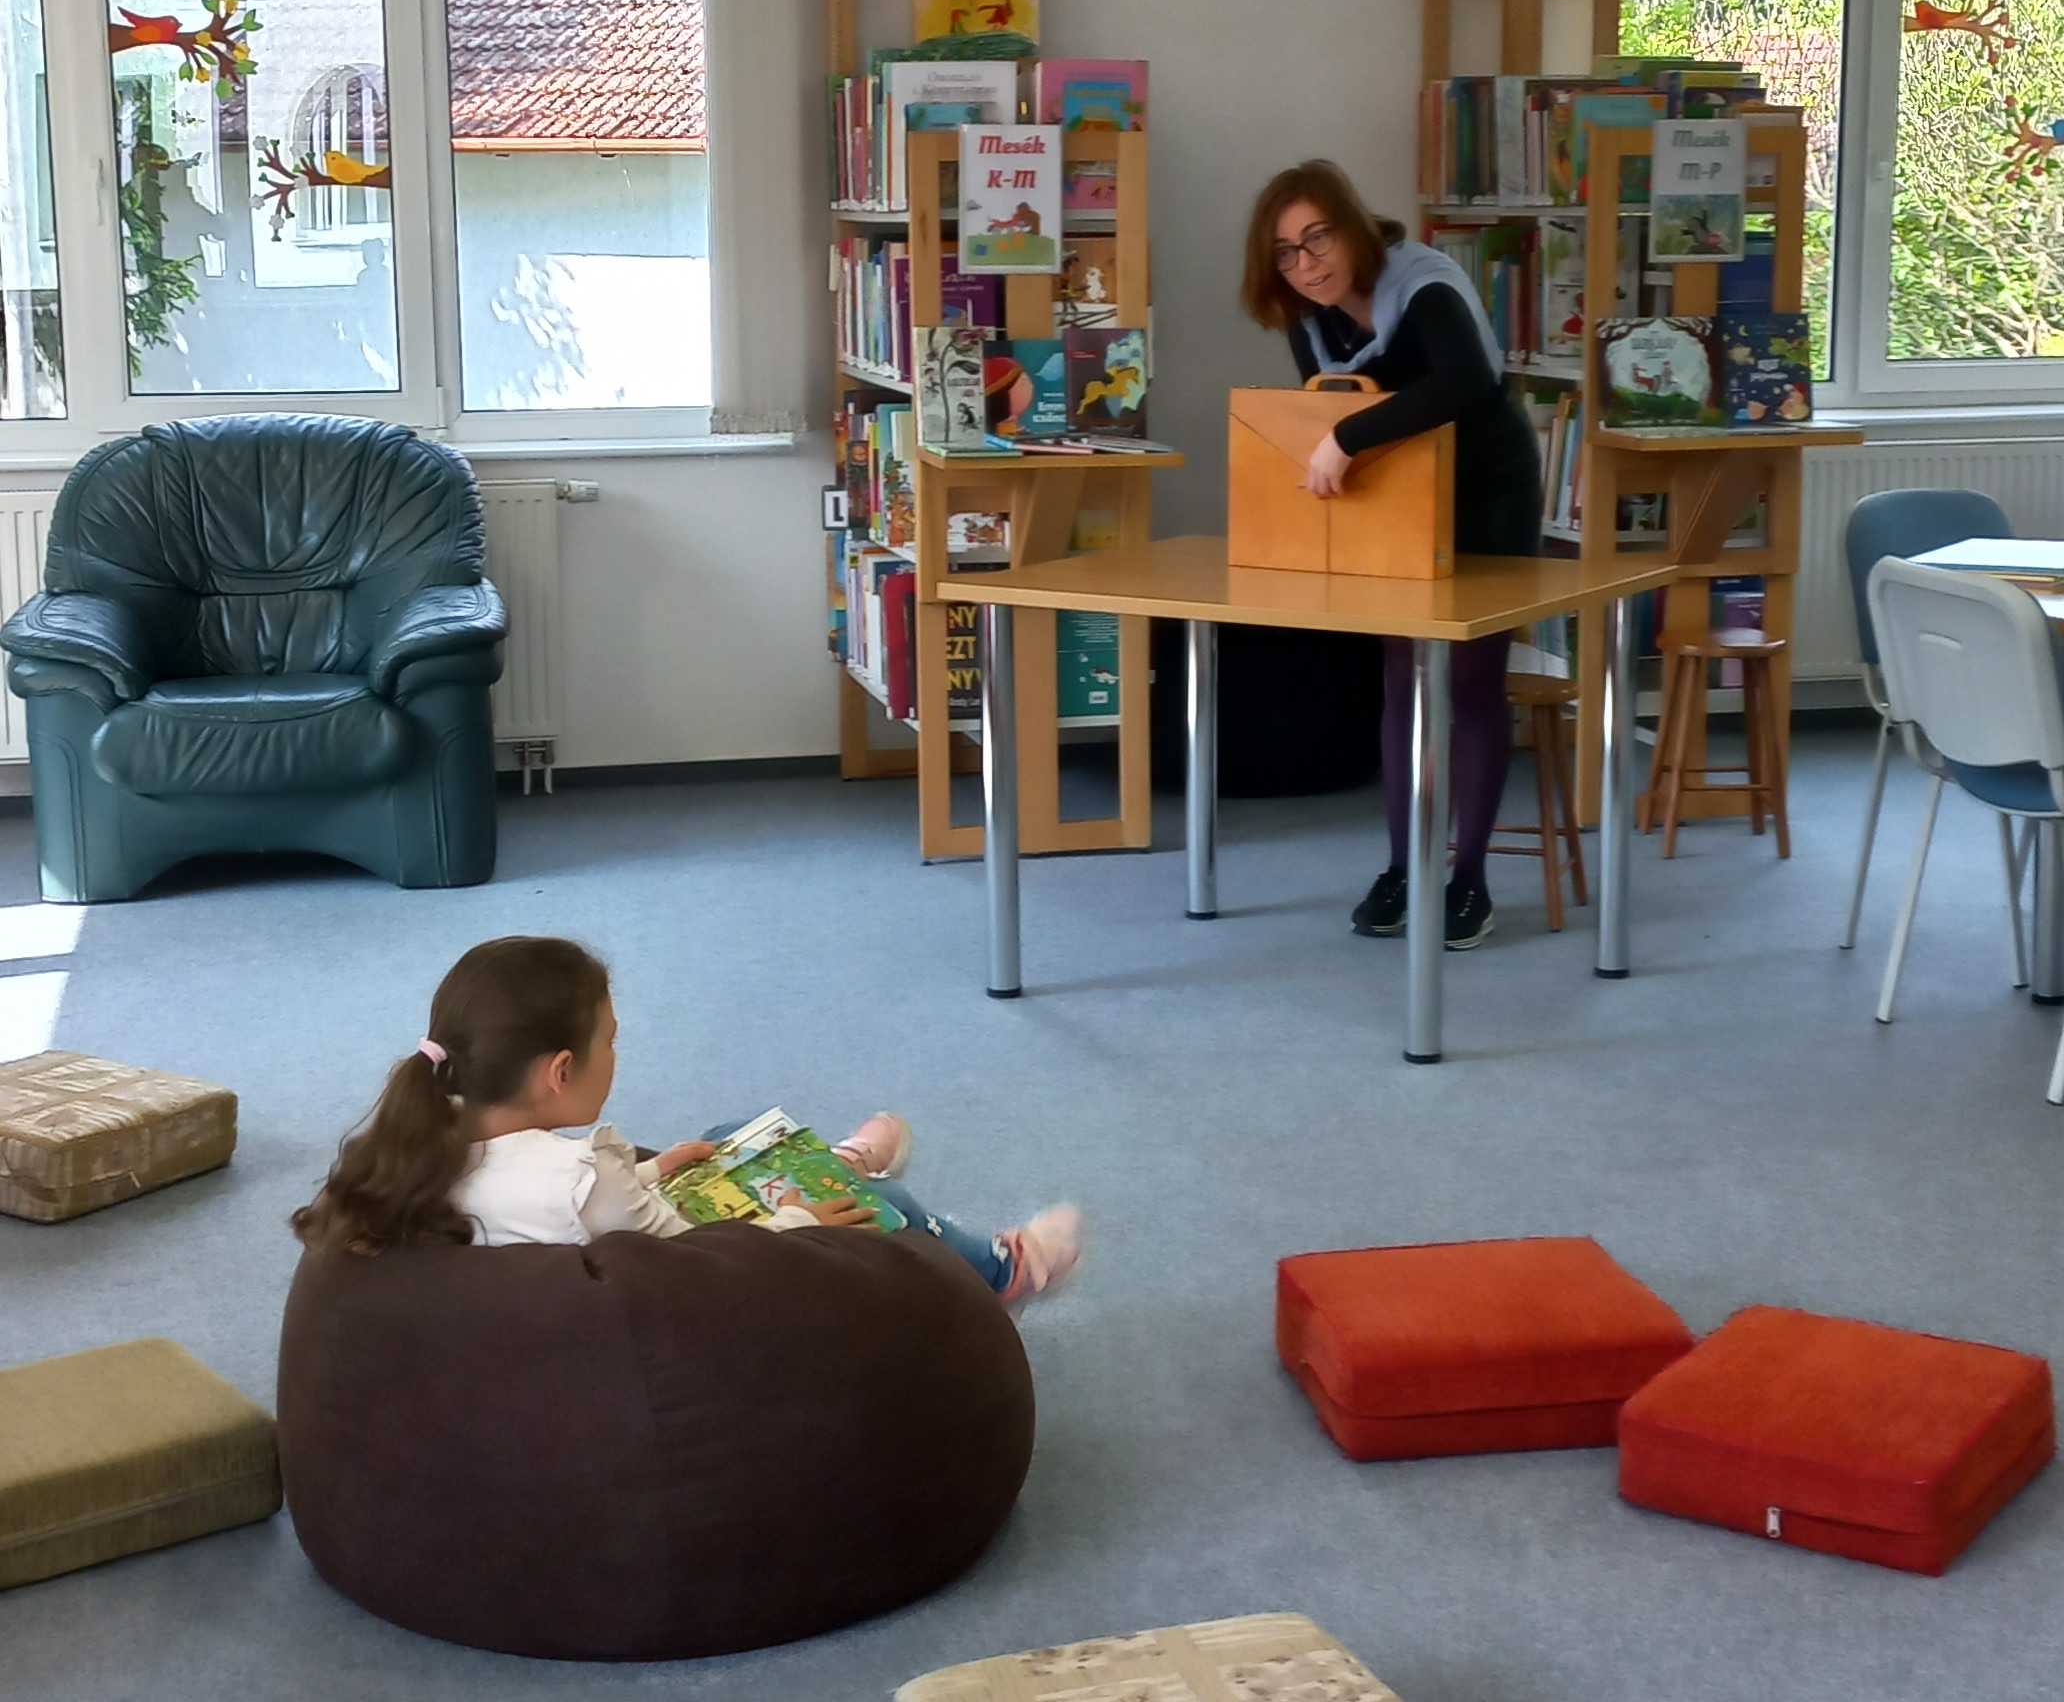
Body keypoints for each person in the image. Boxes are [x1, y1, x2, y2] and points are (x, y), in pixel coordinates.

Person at [294, 935, 1080, 1305]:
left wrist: (651, 1169)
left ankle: (837, 1160)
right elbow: (697, 1270)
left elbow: (577, 1211)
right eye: (609, 1041)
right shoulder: (580, 1179)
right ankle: (1003, 1268)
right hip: (714, 1267)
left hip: (636, 1236)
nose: (616, 1051)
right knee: (879, 1211)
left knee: (732, 1131)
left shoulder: (431, 1136)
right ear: (560, 1072)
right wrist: (798, 1220)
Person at [1240, 158, 1545, 951]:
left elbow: (1463, 383)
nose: (1307, 264)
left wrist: (1348, 437)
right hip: (1402, 491)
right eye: (1286, 252)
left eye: (1318, 238)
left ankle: (1469, 881)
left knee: (1472, 681)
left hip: (1487, 491)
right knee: (1403, 677)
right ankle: (1405, 868)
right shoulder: (1307, 315)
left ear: (1351, 226)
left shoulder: (1424, 283)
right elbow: (1330, 410)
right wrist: (1341, 445)